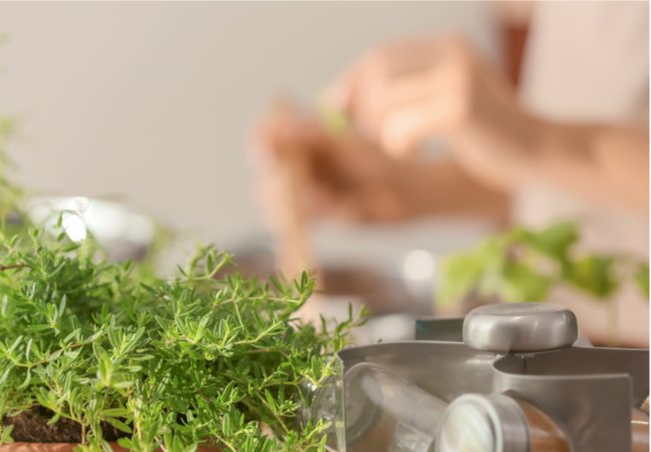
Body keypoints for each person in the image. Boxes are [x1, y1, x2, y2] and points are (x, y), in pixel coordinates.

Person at [252, 2, 649, 347]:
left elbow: (548, 147)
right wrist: (416, 187)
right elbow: (577, 176)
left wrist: (536, 141)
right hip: (576, 346)